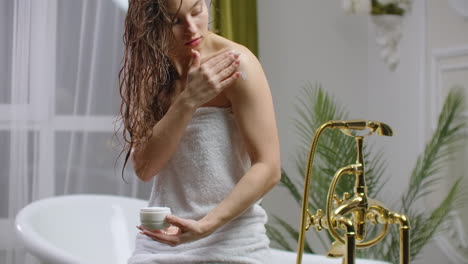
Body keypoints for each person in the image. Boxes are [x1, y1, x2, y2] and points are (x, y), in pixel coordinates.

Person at [118, 0, 280, 263]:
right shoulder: (150, 73)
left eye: (197, 11)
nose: (192, 29)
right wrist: (188, 100)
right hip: (162, 241)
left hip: (233, 242)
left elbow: (269, 167)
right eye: (175, 21)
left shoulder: (237, 65)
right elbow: (145, 169)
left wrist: (205, 226)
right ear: (151, 24)